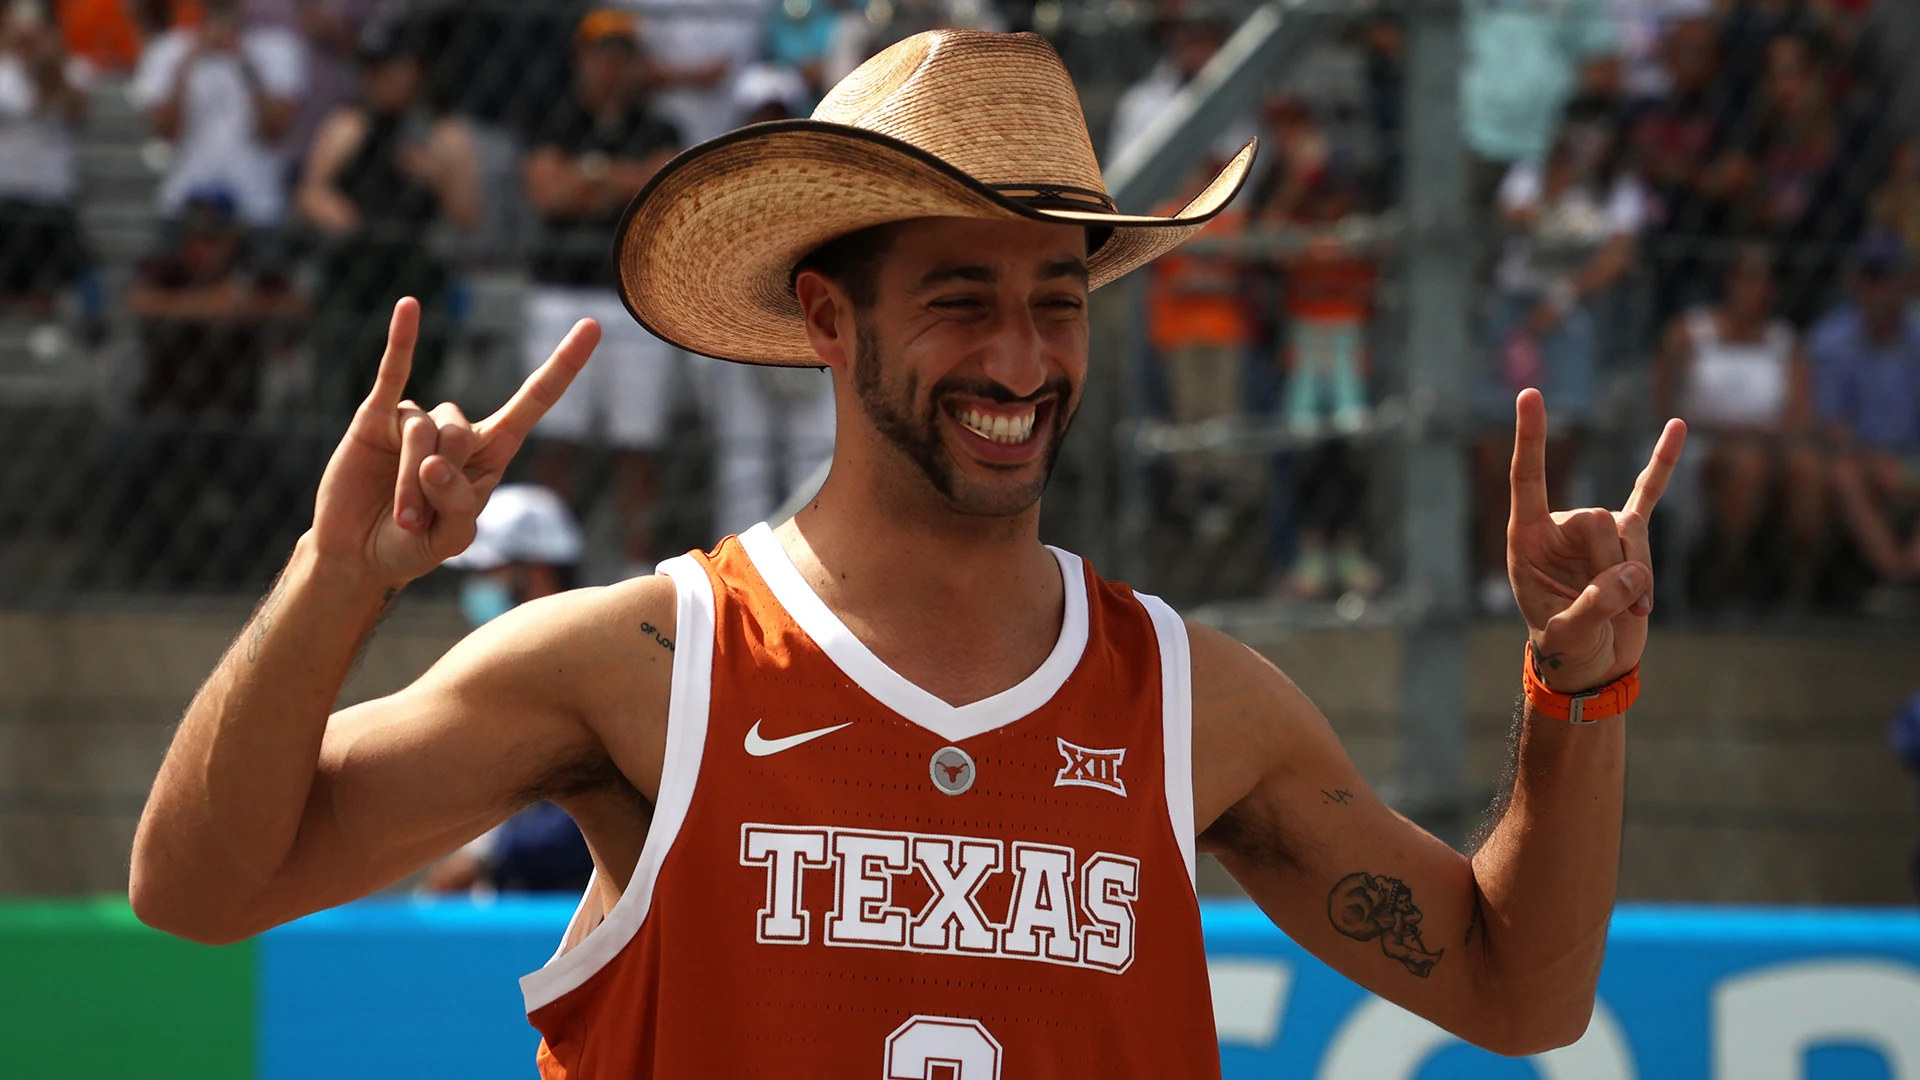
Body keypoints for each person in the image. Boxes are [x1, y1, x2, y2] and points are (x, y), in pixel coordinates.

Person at [129, 30, 1686, 1076]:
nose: (1019, 357)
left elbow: (1517, 992)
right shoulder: (641, 664)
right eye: (958, 296)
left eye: (1057, 298)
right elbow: (198, 890)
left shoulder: (1194, 700)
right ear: (827, 318)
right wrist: (334, 584)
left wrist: (1580, 695)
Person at [520, 8, 682, 576]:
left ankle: (638, 569)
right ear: (580, 58)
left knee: (637, 444)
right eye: (600, 53)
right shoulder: (551, 117)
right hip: (561, 292)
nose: (611, 66)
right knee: (556, 440)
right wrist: (621, 180)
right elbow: (548, 193)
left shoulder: (661, 126)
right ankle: (544, 566)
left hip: (633, 298)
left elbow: (658, 189)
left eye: (621, 54)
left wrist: (586, 177)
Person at [296, 17, 479, 415]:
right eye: (373, 68)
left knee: (416, 389)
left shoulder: (444, 134)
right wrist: (332, 208)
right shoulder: (348, 125)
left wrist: (436, 177)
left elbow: (467, 215)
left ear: (416, 70)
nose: (379, 78)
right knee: (346, 384)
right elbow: (310, 191)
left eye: (391, 67)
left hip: (415, 266)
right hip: (355, 264)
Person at [425, 484, 597, 896]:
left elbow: (597, 806)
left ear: (536, 574)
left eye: (489, 573)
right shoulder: (507, 667)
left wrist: (489, 857)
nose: (477, 590)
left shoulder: (595, 663)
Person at [698, 64, 837, 538]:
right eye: (756, 116)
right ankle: (736, 590)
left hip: (807, 339)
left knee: (815, 462)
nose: (766, 127)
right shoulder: (710, 185)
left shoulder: (824, 179)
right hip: (736, 342)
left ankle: (816, 573)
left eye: (776, 116)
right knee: (743, 467)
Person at [1653, 243, 1822, 609]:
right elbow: (1663, 403)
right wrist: (1721, 429)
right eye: (1746, 278)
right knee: (1746, 466)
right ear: (1728, 281)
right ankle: (1728, 573)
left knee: (1807, 468)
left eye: (1763, 280)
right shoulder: (1690, 332)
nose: (1754, 289)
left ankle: (1799, 589)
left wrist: (1766, 434)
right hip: (1701, 443)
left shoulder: (1784, 342)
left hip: (1768, 443)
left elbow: (1800, 415)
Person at [1808, 236, 1920, 614]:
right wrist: (1877, 462)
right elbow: (1830, 425)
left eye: (1887, 277)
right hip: (1861, 459)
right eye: (1870, 277)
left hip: (1912, 459)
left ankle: (1907, 577)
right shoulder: (1832, 341)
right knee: (1845, 475)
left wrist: (1903, 468)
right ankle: (1898, 575)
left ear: (1906, 283)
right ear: (1855, 283)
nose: (1878, 289)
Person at [130, 0, 305, 231]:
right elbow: (166, 131)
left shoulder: (280, 48)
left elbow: (275, 130)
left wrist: (244, 62)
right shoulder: (167, 49)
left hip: (256, 206)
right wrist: (190, 60)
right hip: (184, 201)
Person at [0, 0, 90, 315]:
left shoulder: (74, 69)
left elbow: (73, 110)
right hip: (6, 192)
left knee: (49, 287)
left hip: (50, 193)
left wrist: (45, 65)